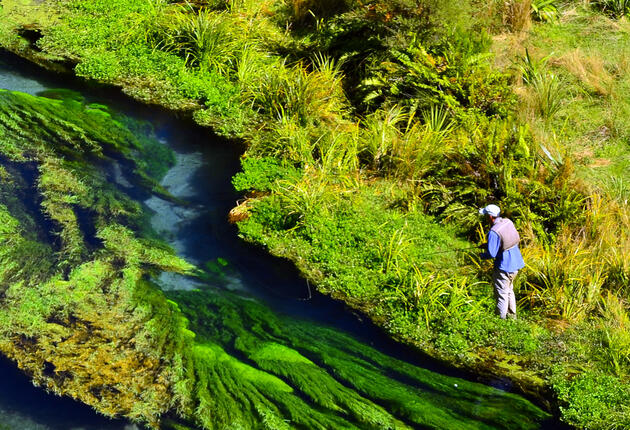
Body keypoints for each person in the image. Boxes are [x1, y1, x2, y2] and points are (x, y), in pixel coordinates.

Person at [478, 204, 525, 319]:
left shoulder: (493, 232)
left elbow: (492, 254)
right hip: (516, 264)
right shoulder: (508, 222)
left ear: (490, 217)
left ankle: (501, 320)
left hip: (504, 267)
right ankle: (512, 317)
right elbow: (506, 241)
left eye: (485, 215)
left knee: (501, 294)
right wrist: (487, 245)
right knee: (509, 291)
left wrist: (482, 255)